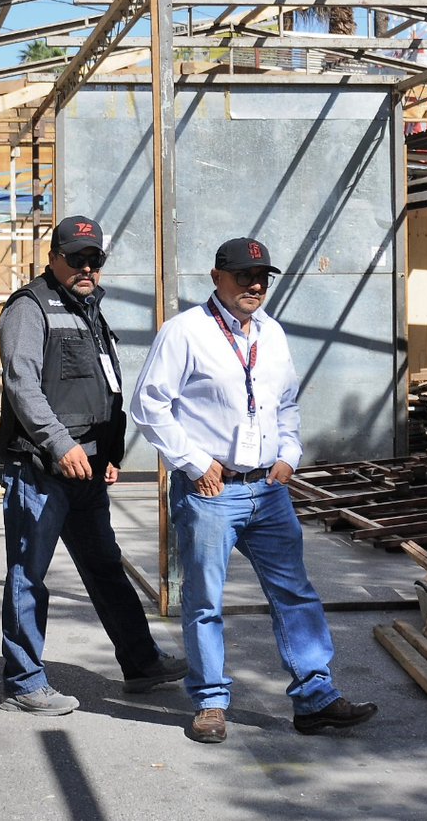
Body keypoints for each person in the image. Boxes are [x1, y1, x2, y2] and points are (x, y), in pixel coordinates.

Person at [131, 237, 377, 745]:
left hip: (267, 488)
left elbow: (285, 402)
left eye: (263, 277)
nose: (256, 286)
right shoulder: (185, 332)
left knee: (294, 592)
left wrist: (289, 453)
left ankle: (315, 698)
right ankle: (210, 702)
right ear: (217, 277)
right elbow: (149, 405)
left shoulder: (272, 332)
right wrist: (194, 462)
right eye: (244, 275)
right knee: (205, 600)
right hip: (211, 490)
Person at [0, 216, 187, 716]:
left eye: (94, 259)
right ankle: (24, 682)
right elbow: (21, 384)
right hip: (40, 467)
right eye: (76, 257)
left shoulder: (90, 309)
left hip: (88, 469)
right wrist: (60, 444)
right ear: (53, 257)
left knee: (105, 568)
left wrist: (111, 452)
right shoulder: (29, 307)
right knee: (28, 574)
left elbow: (104, 388)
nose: (86, 267)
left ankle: (142, 663)